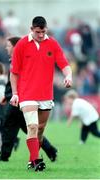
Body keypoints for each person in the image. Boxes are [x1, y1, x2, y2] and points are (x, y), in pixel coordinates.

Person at [10, 16, 72, 171]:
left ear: (46, 29)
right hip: (27, 93)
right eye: (37, 32)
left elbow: (64, 64)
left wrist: (68, 76)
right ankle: (37, 160)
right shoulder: (22, 44)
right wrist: (15, 93)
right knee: (32, 126)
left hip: (45, 94)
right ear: (32, 29)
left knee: (40, 129)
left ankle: (32, 160)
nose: (40, 34)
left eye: (43, 31)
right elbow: (14, 73)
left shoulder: (52, 43)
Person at [0, 36, 58, 162]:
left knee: (10, 127)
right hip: (21, 100)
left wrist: (9, 96)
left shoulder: (22, 60)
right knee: (31, 129)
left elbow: (21, 82)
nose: (6, 48)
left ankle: (4, 156)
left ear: (15, 46)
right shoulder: (18, 59)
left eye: (8, 45)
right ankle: (50, 150)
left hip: (20, 101)